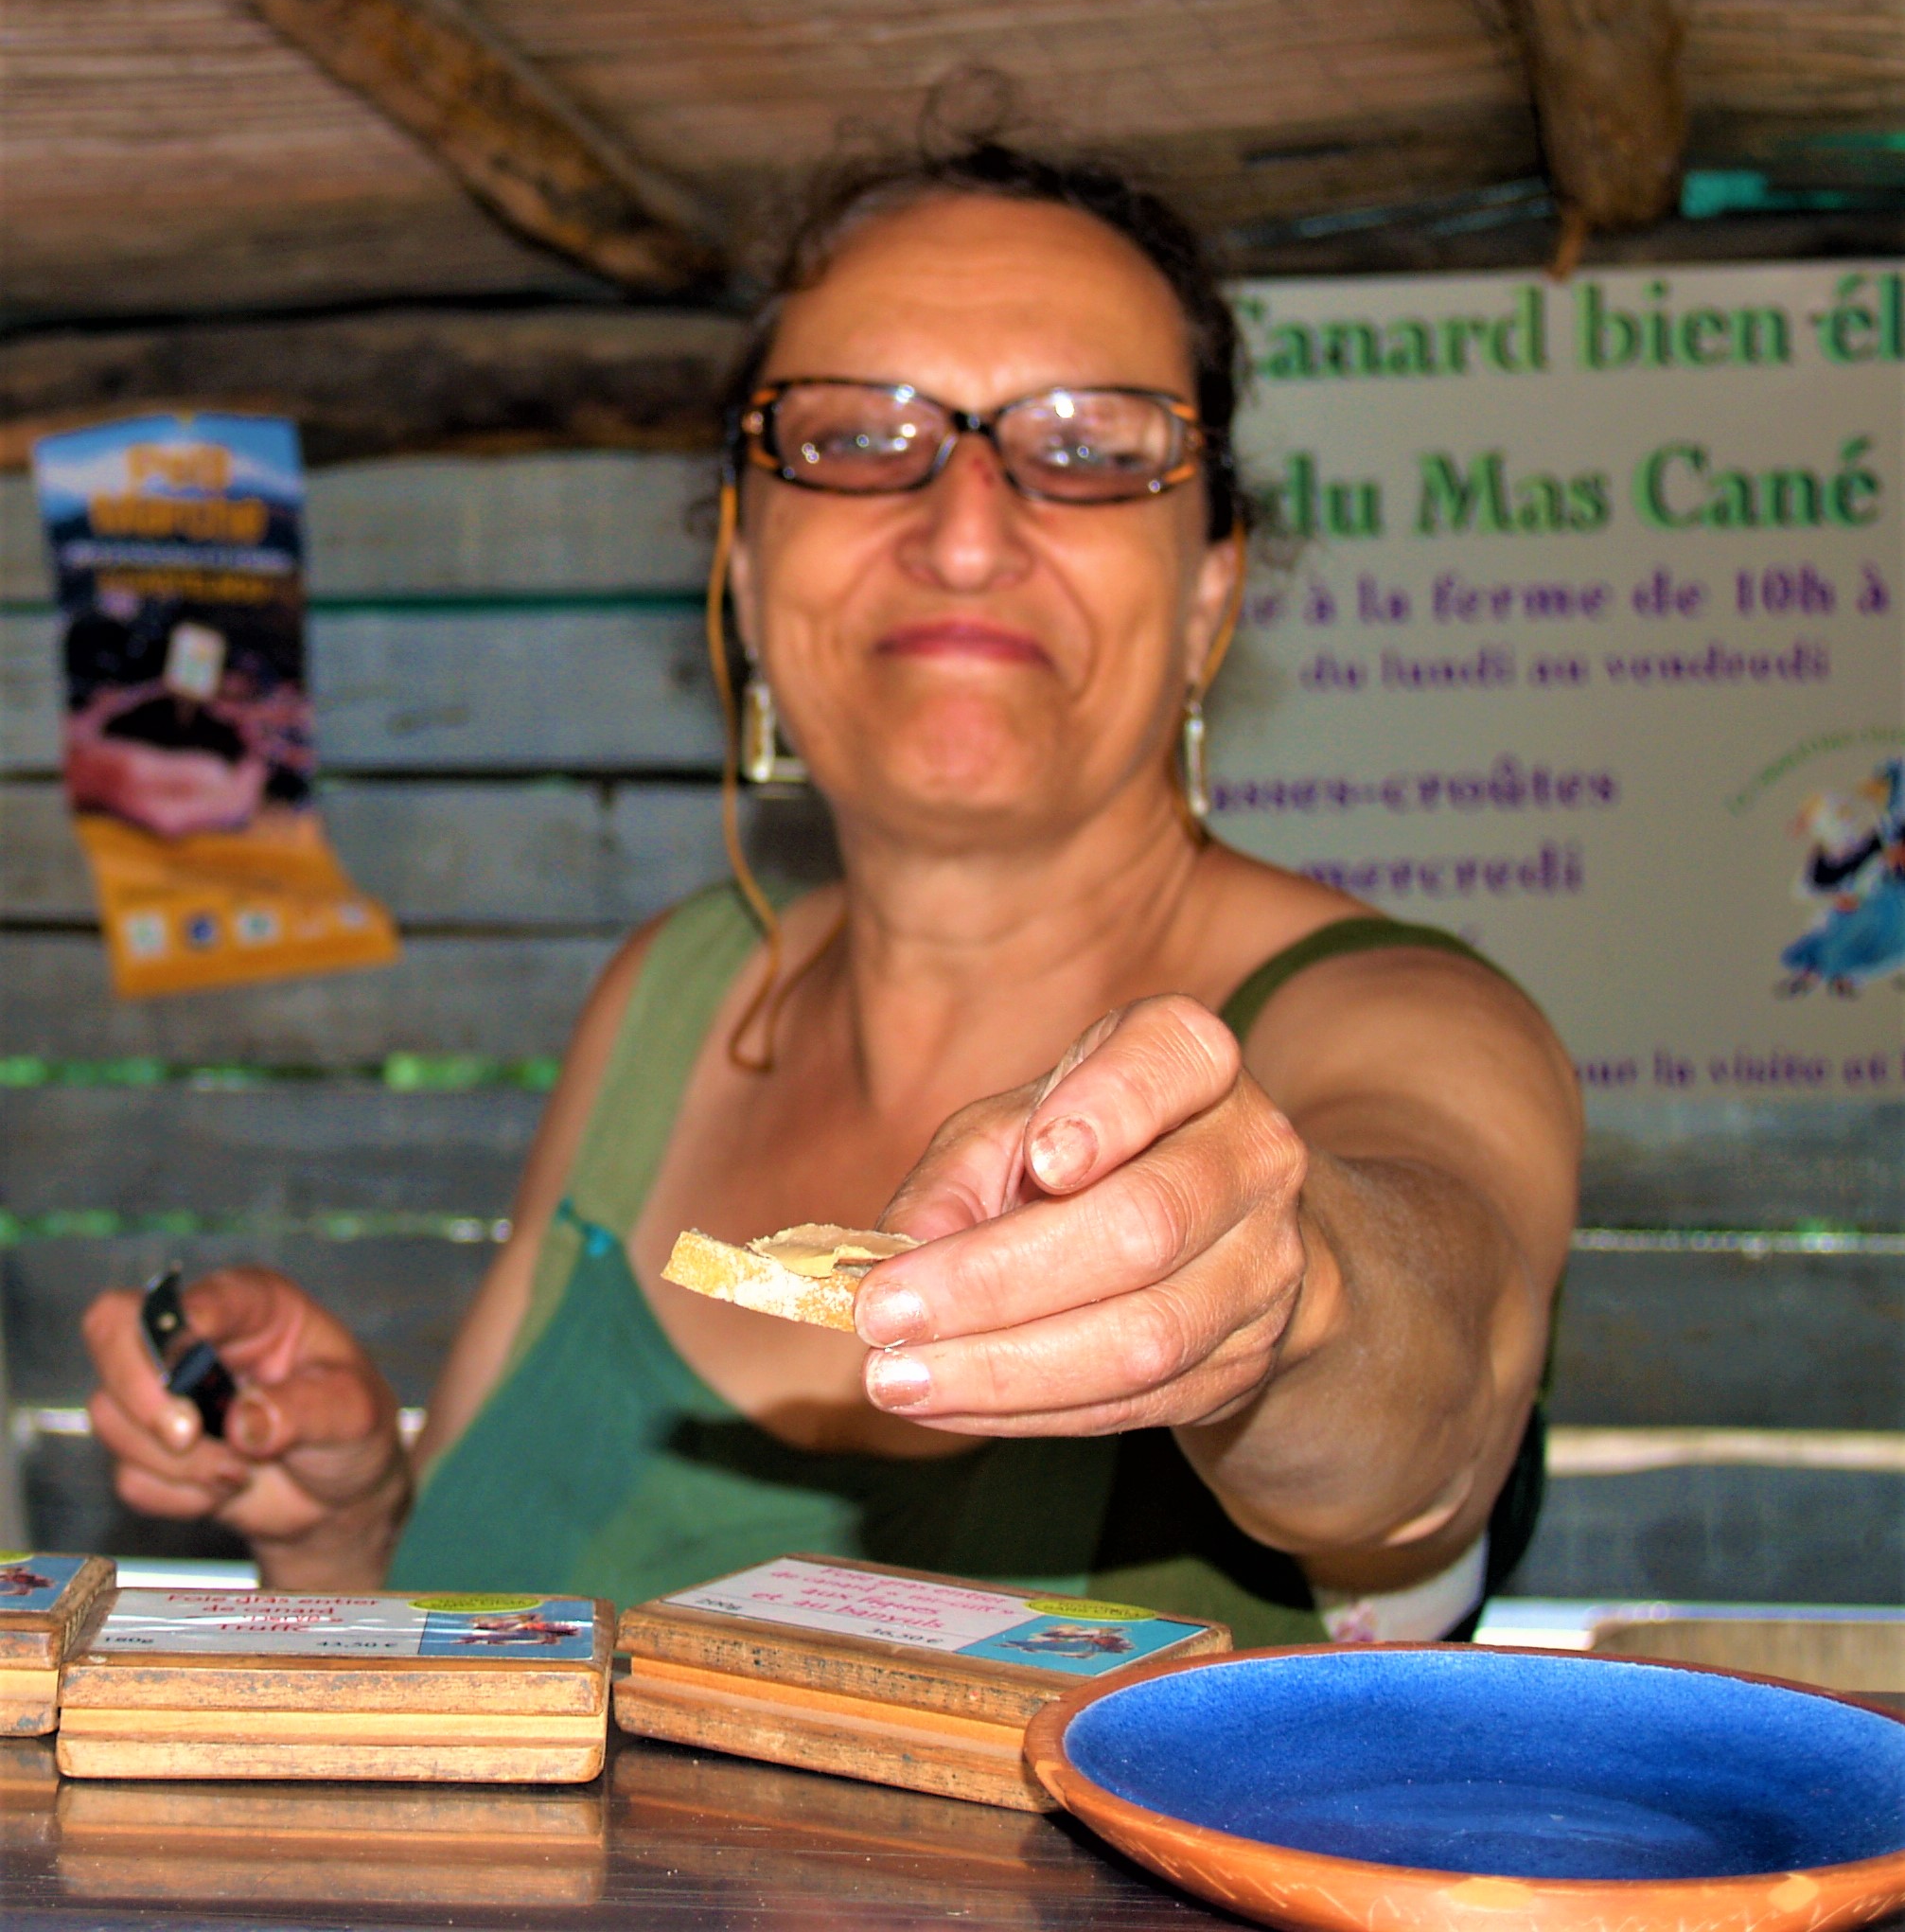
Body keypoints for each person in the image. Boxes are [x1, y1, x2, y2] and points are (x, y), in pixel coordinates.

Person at [81, 134, 1579, 1644]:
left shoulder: (1404, 1011)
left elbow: (1427, 1423)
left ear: (1210, 588)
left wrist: (1285, 1298)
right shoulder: (674, 992)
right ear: (742, 561)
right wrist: (348, 1540)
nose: (967, 531)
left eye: (1087, 445)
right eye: (858, 437)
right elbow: (500, 1670)